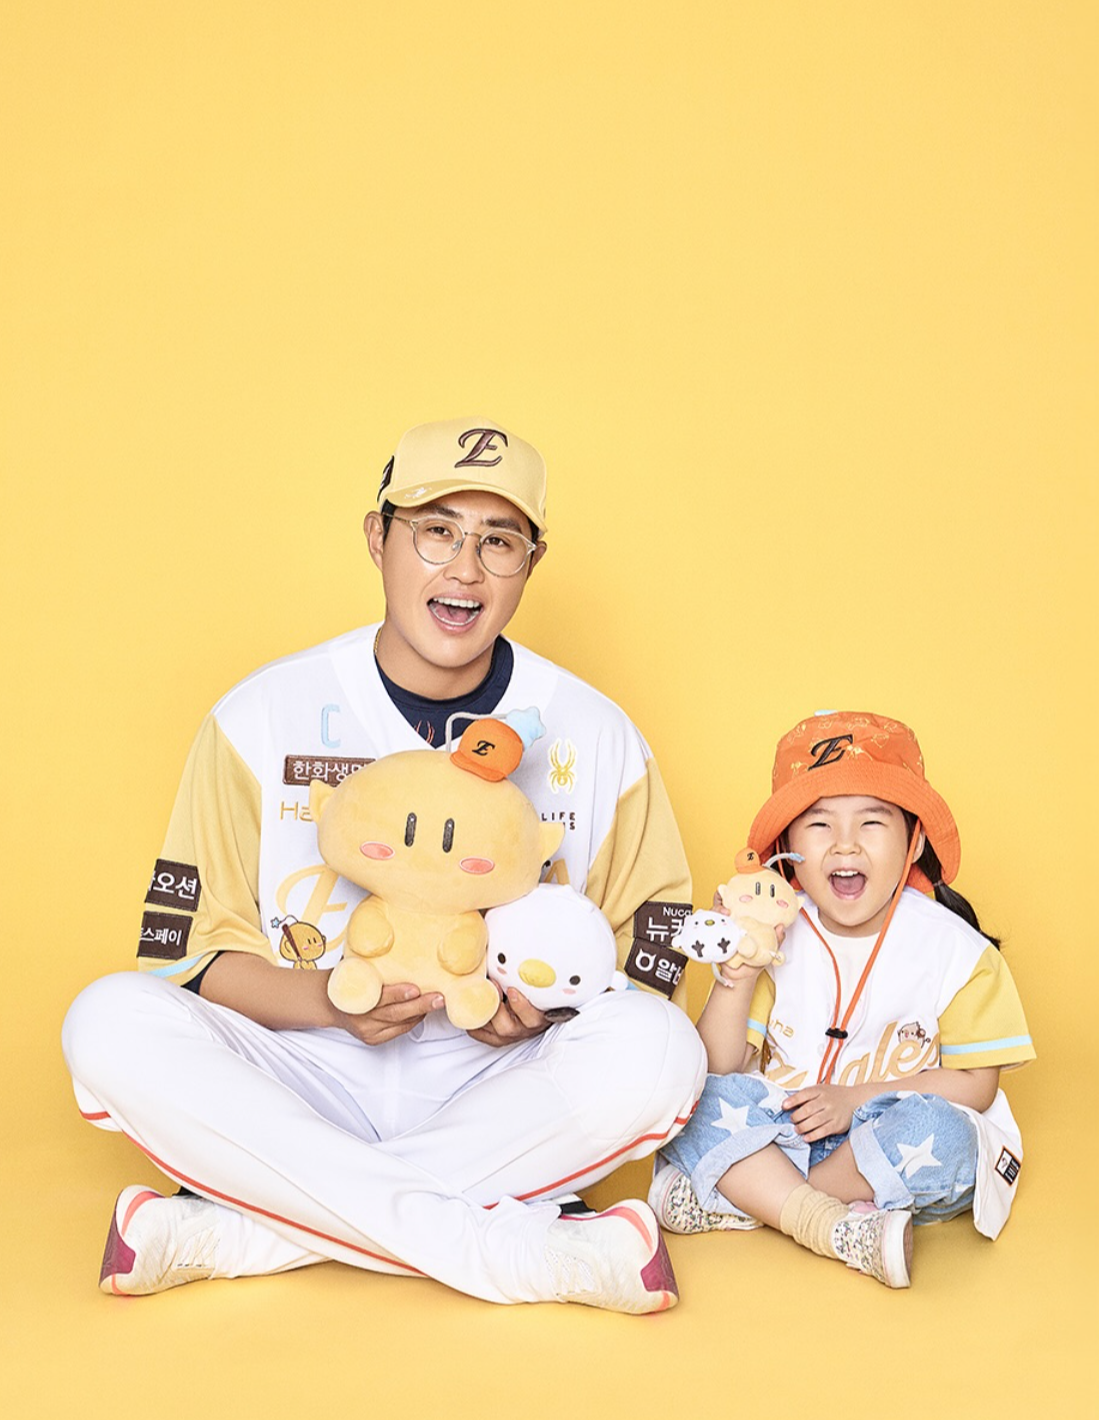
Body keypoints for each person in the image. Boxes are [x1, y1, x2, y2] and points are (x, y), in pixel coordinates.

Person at [62, 418, 707, 1314]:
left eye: (499, 541)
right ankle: (519, 1252)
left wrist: (541, 1014)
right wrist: (330, 1001)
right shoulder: (260, 713)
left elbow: (657, 950)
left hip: (503, 1083)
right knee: (107, 1019)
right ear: (379, 537)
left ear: (531, 562)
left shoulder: (595, 731)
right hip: (299, 1072)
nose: (465, 569)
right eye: (436, 530)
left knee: (661, 1048)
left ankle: (245, 1233)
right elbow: (187, 958)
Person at [647, 710, 1034, 1288]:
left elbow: (977, 1085)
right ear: (786, 848)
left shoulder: (957, 950)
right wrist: (737, 977)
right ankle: (838, 1228)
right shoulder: (776, 932)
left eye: (872, 822)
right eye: (819, 824)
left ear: (914, 842)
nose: (845, 843)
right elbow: (718, 1067)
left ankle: (747, 1199)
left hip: (884, 1141)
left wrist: (856, 1100)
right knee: (690, 1095)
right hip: (782, 1131)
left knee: (947, 1136)